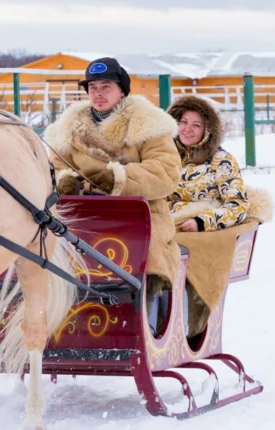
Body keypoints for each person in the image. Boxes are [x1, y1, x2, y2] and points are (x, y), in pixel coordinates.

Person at [43, 57, 182, 336]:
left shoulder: (148, 125)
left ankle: (148, 327)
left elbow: (167, 172)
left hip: (142, 218)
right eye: (92, 87)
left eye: (106, 86)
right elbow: (54, 170)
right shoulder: (67, 130)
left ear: (122, 91)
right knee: (46, 252)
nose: (98, 93)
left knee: (148, 258)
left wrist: (118, 180)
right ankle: (61, 327)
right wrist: (66, 182)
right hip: (84, 218)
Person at [166, 95, 249, 232]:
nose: (187, 129)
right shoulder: (167, 157)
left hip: (200, 236)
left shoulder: (222, 161)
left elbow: (238, 206)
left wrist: (201, 222)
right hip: (163, 230)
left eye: (196, 125)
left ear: (207, 130)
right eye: (183, 122)